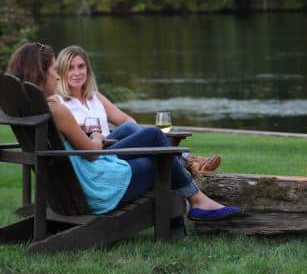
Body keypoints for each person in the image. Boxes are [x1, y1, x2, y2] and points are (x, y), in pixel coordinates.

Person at [6, 42, 241, 233]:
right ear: (41, 73)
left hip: (70, 188)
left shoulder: (31, 107)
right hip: (95, 190)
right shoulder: (57, 109)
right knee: (157, 150)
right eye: (55, 70)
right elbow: (93, 152)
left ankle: (188, 209)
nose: (58, 77)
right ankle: (194, 205)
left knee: (152, 143)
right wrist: (97, 135)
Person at [54, 45, 221, 174]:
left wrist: (126, 140)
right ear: (61, 71)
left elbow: (127, 120)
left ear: (87, 70)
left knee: (129, 127)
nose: (76, 72)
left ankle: (187, 162)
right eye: (70, 68)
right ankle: (187, 161)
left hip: (113, 148)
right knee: (140, 133)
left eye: (80, 66)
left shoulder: (95, 97)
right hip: (93, 154)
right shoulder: (60, 102)